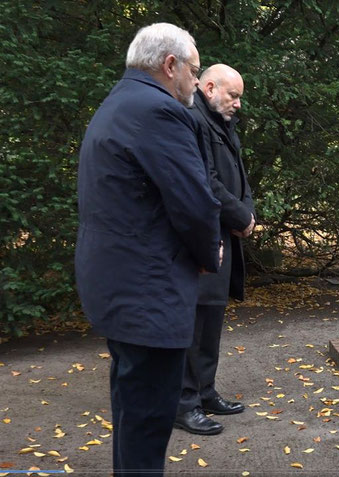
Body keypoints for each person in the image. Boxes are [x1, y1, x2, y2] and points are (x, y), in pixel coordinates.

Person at [76, 23, 222, 475]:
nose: (196, 81)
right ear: (170, 65)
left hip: (118, 289)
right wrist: (208, 254)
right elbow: (195, 202)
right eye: (194, 70)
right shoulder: (159, 111)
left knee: (132, 413)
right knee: (148, 421)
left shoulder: (118, 101)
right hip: (149, 293)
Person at [174, 64, 255, 435]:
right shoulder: (195, 120)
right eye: (232, 95)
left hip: (223, 234)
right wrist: (239, 215)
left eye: (239, 97)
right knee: (193, 325)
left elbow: (239, 176)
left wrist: (246, 213)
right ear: (209, 87)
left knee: (211, 322)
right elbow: (205, 181)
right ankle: (184, 403)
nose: (238, 103)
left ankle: (205, 392)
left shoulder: (223, 124)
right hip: (202, 239)